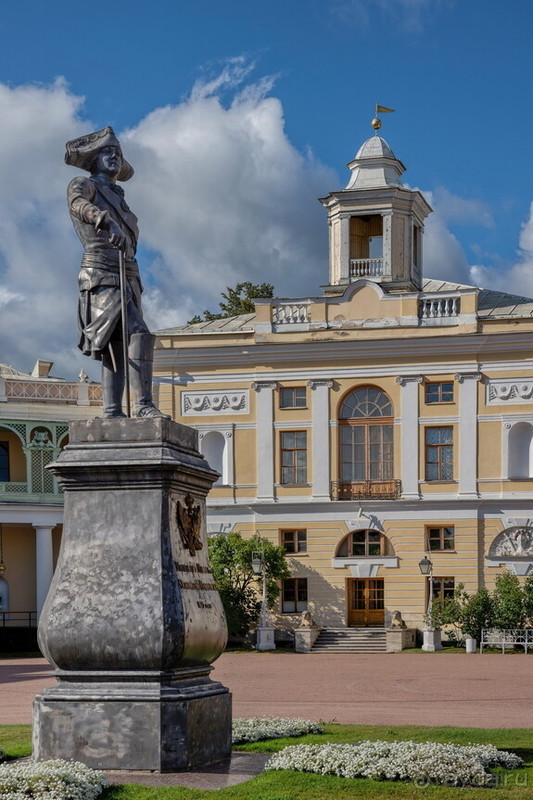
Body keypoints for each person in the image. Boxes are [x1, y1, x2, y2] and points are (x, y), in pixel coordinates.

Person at [65, 126, 167, 418]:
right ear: (93, 159)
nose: (113, 157)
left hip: (128, 275)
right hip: (101, 272)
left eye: (117, 153)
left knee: (121, 342)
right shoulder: (84, 184)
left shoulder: (119, 196)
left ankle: (114, 411)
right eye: (106, 152)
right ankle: (143, 406)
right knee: (133, 335)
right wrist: (104, 219)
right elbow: (77, 205)